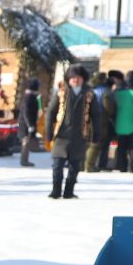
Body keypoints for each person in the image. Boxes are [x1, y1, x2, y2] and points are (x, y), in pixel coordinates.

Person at [44, 66, 96, 200]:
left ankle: (69, 192)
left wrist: (96, 134)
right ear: (69, 79)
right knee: (57, 166)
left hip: (79, 136)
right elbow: (50, 112)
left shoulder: (89, 94)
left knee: (74, 167)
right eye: (73, 78)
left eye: (78, 78)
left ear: (83, 79)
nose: (76, 81)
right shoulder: (61, 92)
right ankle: (55, 191)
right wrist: (48, 132)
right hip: (61, 136)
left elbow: (96, 115)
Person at [111, 69, 133, 171]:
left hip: (119, 124)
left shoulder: (117, 93)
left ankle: (121, 167)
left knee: (121, 148)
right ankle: (132, 167)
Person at [84, 71, 115, 174]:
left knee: (85, 142)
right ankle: (89, 166)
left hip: (85, 118)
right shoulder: (105, 91)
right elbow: (108, 107)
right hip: (101, 119)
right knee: (95, 143)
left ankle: (81, 165)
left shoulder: (88, 89)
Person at [19, 76, 42, 168]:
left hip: (28, 123)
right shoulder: (29, 97)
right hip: (26, 124)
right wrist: (29, 125)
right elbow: (26, 112)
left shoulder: (31, 96)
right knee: (26, 142)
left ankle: (25, 160)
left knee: (27, 142)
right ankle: (24, 160)